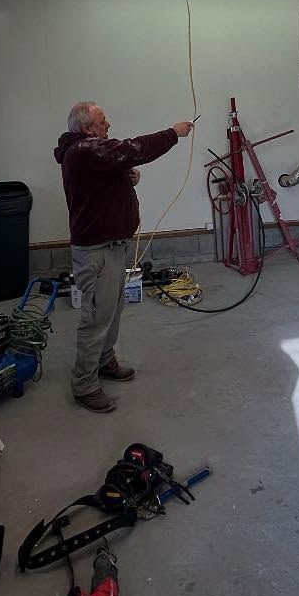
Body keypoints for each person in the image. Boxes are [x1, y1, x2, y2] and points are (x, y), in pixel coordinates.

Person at [54, 102, 193, 413]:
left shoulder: (90, 152)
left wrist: (126, 178)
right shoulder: (84, 150)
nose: (108, 125)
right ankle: (85, 385)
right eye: (102, 121)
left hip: (113, 247)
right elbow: (134, 149)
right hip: (96, 252)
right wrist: (173, 133)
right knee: (95, 318)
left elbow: (112, 171)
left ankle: (105, 362)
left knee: (112, 311)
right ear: (87, 128)